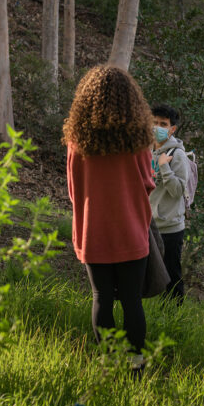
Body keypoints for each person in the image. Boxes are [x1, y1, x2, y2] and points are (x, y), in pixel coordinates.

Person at [65, 65, 155, 371]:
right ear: (130, 100)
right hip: (131, 228)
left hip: (93, 229)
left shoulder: (77, 141)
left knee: (101, 297)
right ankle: (136, 364)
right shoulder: (138, 140)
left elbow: (73, 188)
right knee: (132, 300)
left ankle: (108, 362)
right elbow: (148, 182)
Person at [150, 104, 189, 301]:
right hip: (148, 224)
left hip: (170, 227)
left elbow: (177, 191)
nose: (157, 127)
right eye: (155, 122)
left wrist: (165, 167)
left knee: (171, 276)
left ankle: (174, 316)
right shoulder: (146, 151)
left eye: (163, 124)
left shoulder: (178, 154)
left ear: (172, 129)